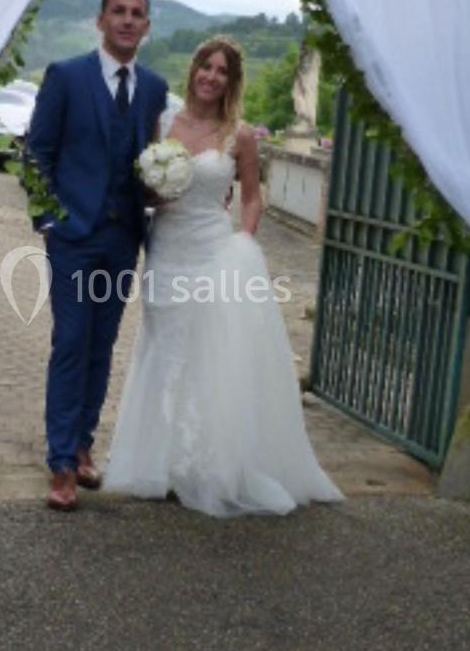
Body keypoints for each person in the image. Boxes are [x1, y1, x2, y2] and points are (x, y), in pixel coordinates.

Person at [104, 37, 343, 517]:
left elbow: (253, 197)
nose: (211, 76)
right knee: (165, 348)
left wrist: (247, 241)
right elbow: (145, 195)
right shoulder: (163, 123)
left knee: (209, 354)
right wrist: (154, 197)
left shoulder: (241, 134)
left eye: (222, 71)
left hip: (215, 253)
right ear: (193, 70)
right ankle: (159, 462)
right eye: (205, 67)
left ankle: (205, 463)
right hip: (169, 250)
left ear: (231, 82)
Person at [26, 0, 170, 511]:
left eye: (137, 14)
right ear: (101, 20)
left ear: (147, 26)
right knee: (71, 343)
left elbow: (151, 157)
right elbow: (36, 152)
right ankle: (62, 463)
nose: (128, 20)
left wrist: (167, 189)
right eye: (119, 12)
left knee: (102, 345)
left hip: (123, 237)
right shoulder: (66, 77)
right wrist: (47, 220)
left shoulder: (153, 87)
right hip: (73, 238)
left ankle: (84, 443)